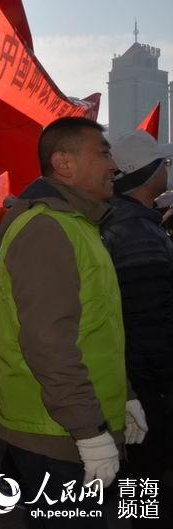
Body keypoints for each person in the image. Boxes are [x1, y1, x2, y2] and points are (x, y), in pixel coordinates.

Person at [0, 117, 139, 526]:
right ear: (64, 163)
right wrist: (89, 432)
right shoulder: (47, 229)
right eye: (104, 154)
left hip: (72, 424)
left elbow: (98, 327)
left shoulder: (80, 224)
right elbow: (48, 343)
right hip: (56, 436)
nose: (114, 166)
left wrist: (123, 396)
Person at [101, 130, 173, 527]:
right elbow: (147, 318)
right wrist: (161, 386)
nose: (167, 168)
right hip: (148, 380)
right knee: (148, 470)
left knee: (142, 469)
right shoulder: (136, 233)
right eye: (162, 163)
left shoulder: (128, 222)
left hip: (136, 376)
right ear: (148, 174)